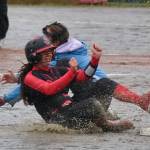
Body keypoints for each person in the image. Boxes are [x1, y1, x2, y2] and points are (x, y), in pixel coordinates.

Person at [0, 22, 150, 114]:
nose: (42, 40)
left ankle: (102, 119)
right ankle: (137, 101)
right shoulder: (75, 49)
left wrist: (5, 99)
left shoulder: (62, 60)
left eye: (46, 38)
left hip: (90, 101)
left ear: (57, 42)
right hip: (101, 95)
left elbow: (38, 84)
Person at [19, 36, 133, 131]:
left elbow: (85, 76)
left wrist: (95, 60)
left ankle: (136, 103)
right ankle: (107, 125)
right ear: (34, 56)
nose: (49, 54)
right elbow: (49, 89)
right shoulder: (30, 77)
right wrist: (71, 72)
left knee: (104, 84)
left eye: (50, 51)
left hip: (74, 110)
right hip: (59, 119)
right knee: (91, 104)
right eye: (44, 52)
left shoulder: (57, 70)